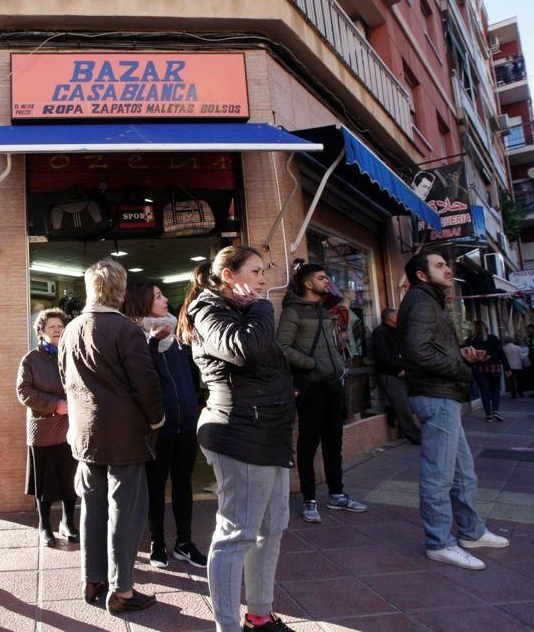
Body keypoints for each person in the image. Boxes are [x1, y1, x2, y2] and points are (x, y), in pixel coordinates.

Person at [178, 246, 297, 632]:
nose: (264, 280)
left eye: (265, 271)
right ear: (229, 275)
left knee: (271, 527)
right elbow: (244, 350)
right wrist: (263, 308)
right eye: (256, 271)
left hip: (269, 432)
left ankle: (259, 616)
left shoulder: (244, 311)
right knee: (236, 535)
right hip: (238, 432)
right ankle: (227, 626)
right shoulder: (208, 309)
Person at [59, 259, 164, 615]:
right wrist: (157, 420)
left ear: (90, 288)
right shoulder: (127, 330)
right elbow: (146, 384)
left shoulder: (71, 329)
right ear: (120, 291)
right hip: (125, 437)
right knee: (126, 512)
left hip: (85, 436)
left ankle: (93, 580)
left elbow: (65, 380)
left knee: (92, 508)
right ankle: (121, 589)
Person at [398, 251, 509, 570]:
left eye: (447, 265)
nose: (448, 270)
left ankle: (472, 532)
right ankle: (439, 542)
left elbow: (429, 347)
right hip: (435, 395)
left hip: (443, 394)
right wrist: (460, 368)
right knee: (439, 474)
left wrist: (462, 354)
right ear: (421, 275)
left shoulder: (430, 300)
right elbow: (416, 351)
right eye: (439, 266)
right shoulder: (420, 301)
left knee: (463, 473)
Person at [123, 283, 207, 570]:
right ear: (143, 302)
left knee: (183, 483)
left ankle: (185, 543)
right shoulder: (136, 336)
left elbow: (191, 374)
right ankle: (157, 544)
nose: (165, 301)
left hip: (187, 423)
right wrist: (153, 343)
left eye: (162, 295)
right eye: (157, 296)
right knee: (155, 487)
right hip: (159, 425)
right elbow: (141, 376)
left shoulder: (179, 333)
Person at [276, 263, 367, 524]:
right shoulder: (293, 312)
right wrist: (313, 364)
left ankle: (337, 494)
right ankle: (309, 499)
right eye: (321, 277)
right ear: (307, 283)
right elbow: (281, 347)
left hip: (333, 385)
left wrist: (339, 366)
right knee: (308, 444)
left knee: (333, 443)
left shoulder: (324, 310)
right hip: (312, 387)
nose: (327, 281)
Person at [16, 307, 78, 547]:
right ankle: (44, 526)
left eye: (60, 327)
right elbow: (24, 392)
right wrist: (56, 404)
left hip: (71, 429)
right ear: (41, 331)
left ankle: (67, 522)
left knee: (70, 479)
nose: (57, 330)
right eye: (51, 327)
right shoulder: (31, 359)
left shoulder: (72, 354)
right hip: (43, 429)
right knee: (45, 483)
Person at [371, 308, 422, 444]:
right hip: (391, 374)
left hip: (403, 372)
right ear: (390, 319)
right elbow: (384, 356)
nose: (398, 318)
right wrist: (399, 369)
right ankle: (413, 434)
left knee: (407, 403)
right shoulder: (380, 333)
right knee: (402, 405)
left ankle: (404, 430)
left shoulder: (398, 332)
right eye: (396, 316)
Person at [465, 321, 509, 422]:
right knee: (495, 390)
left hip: (479, 368)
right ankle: (496, 410)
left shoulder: (470, 340)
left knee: (484, 391)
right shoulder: (493, 338)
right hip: (494, 367)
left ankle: (488, 414)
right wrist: (507, 368)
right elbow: (501, 353)